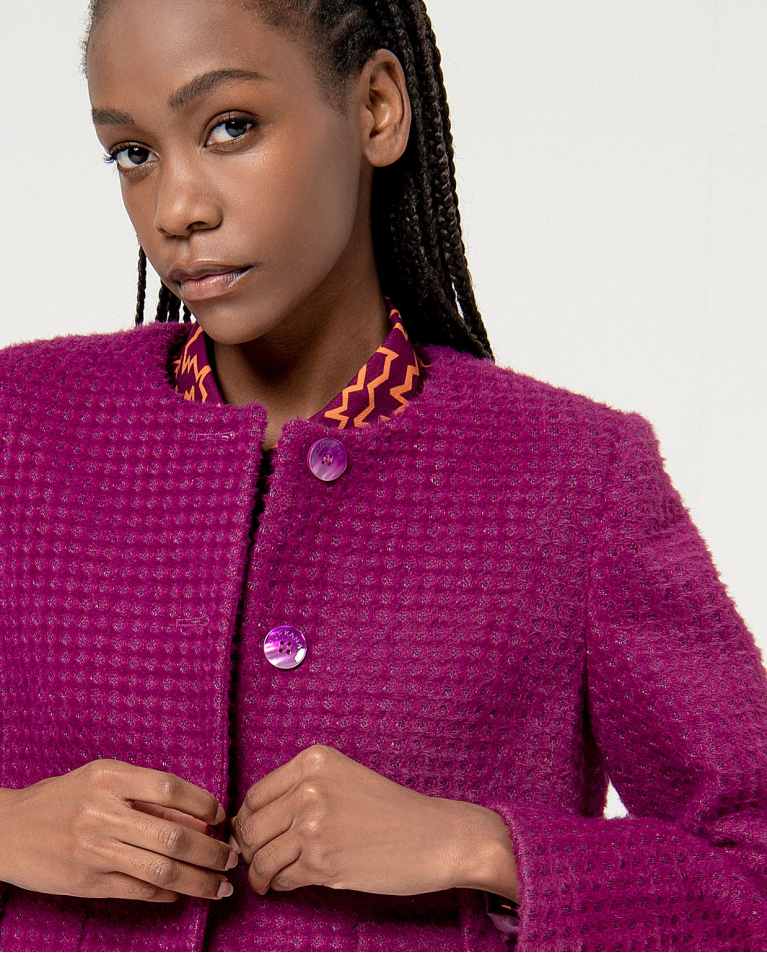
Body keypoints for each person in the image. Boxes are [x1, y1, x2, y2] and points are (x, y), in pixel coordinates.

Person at [0, 0, 765, 950]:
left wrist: (482, 846)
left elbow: (750, 866)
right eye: (133, 153)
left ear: (375, 108)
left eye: (230, 126)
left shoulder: (572, 475)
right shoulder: (19, 425)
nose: (176, 209)